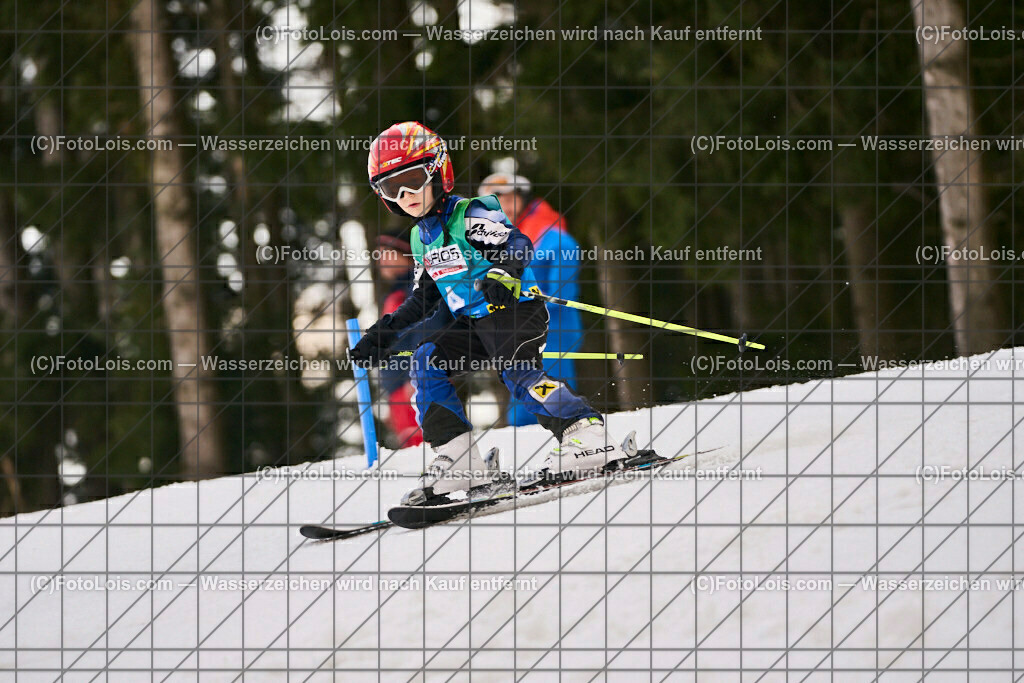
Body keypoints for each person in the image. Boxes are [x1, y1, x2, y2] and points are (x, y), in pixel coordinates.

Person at [351, 121, 628, 506]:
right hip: (476, 322)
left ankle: (586, 433)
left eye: (412, 179)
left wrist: (502, 271)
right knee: (427, 359)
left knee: (517, 370)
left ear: (437, 170)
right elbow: (424, 297)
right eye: (390, 187)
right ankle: (460, 461)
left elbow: (517, 243)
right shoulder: (420, 237)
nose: (405, 194)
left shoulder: (469, 214)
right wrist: (384, 332)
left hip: (515, 308)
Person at [477, 173, 583, 427]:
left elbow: (560, 295)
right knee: (524, 396)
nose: (503, 208)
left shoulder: (555, 238)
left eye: (508, 199)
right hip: (519, 331)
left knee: (552, 390)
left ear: (522, 198)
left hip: (554, 329)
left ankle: (581, 437)